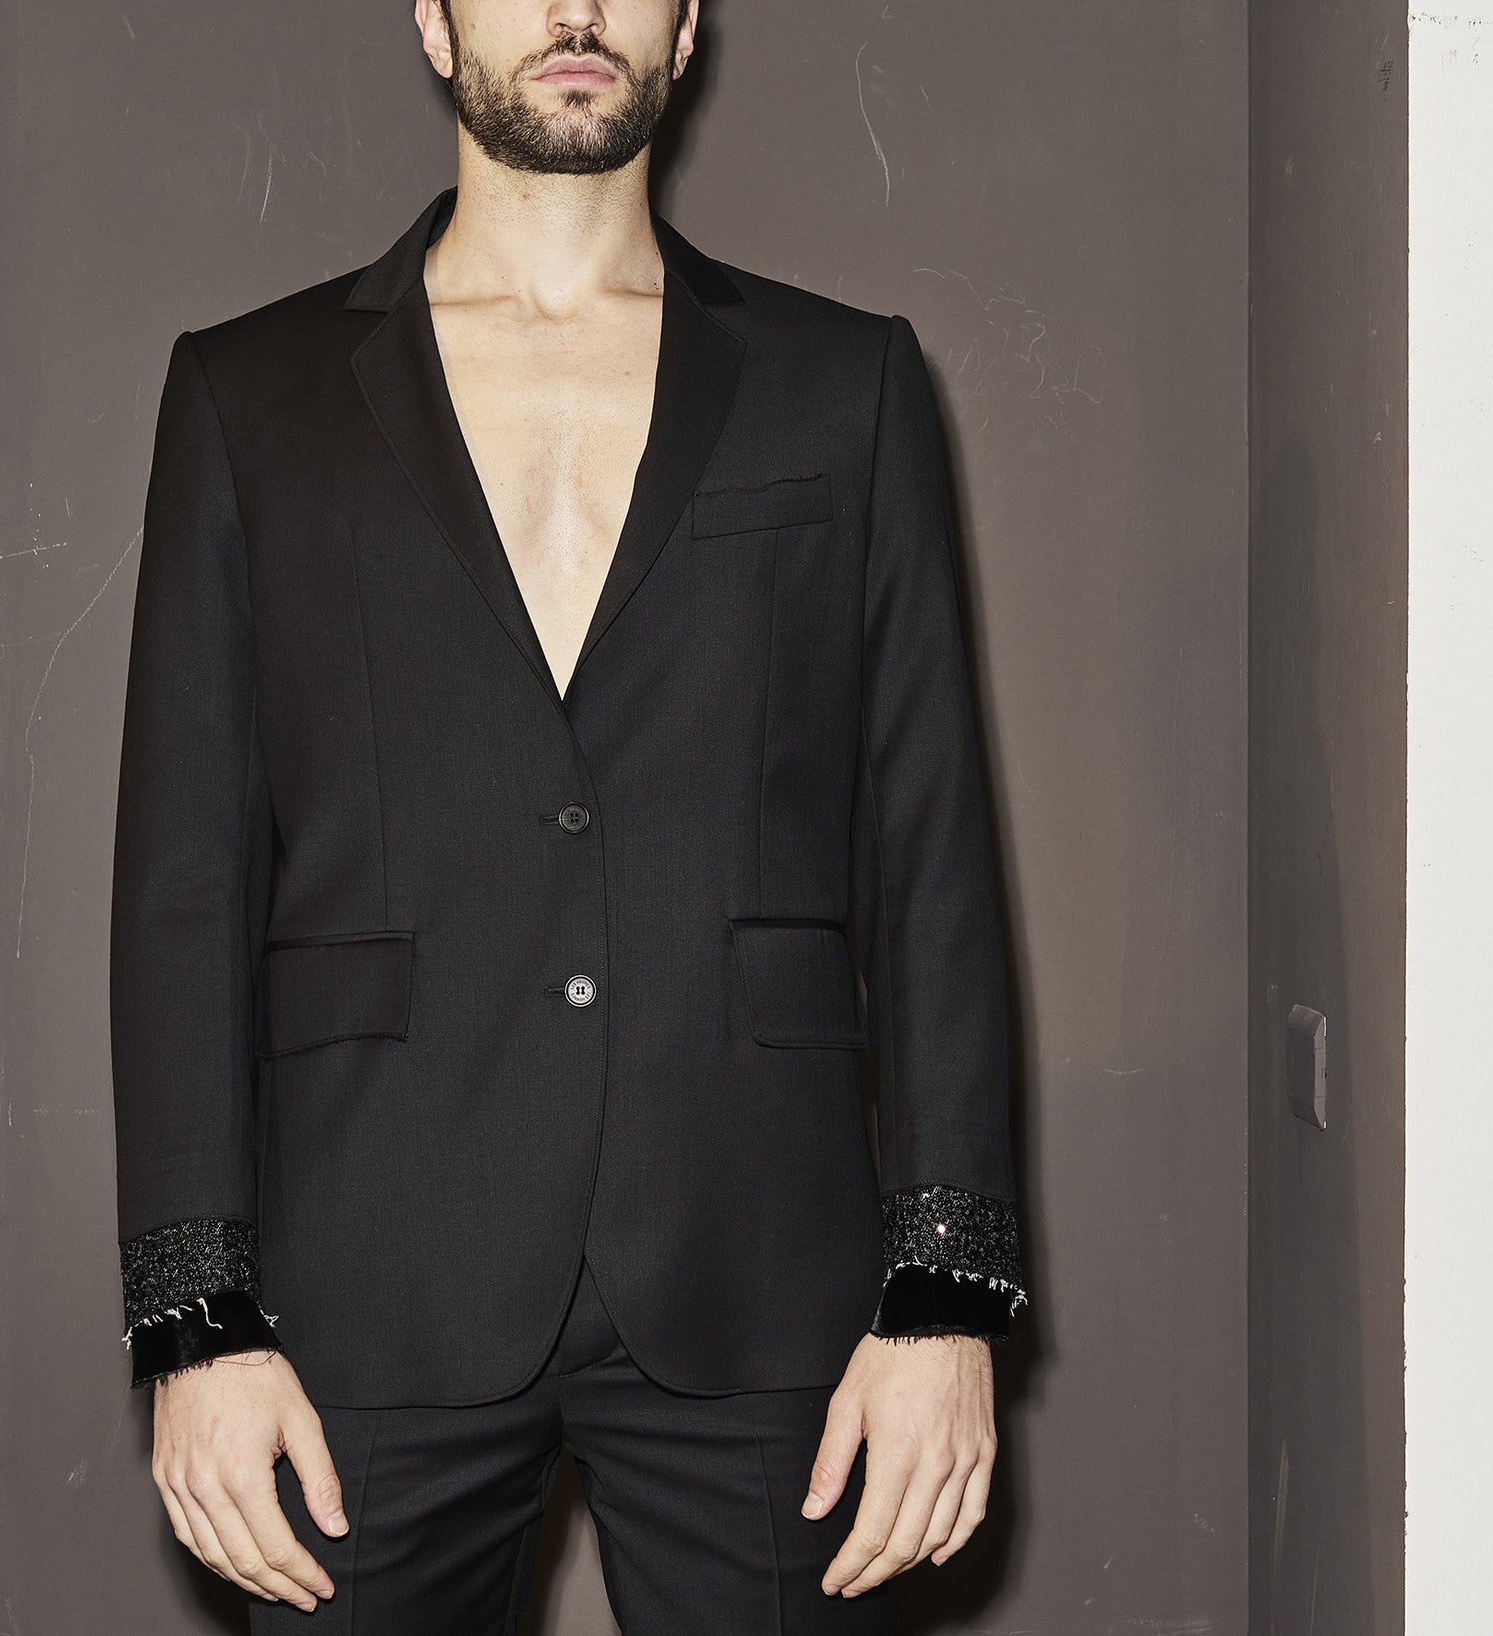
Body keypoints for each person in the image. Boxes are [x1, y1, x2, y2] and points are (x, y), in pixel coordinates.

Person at [107, 2, 1029, 1629]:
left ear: (688, 24)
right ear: (432, 17)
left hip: (761, 1272)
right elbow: (185, 881)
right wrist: (196, 1317)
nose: (576, 10)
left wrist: (946, 1291)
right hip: (369, 1281)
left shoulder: (844, 384)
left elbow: (930, 852)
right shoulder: (251, 395)